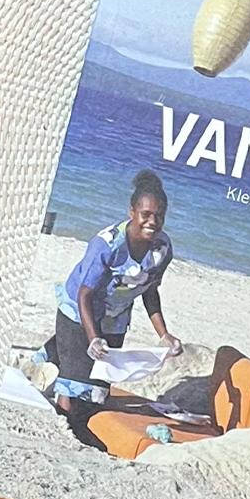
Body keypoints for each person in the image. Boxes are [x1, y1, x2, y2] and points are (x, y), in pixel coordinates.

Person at [49, 170, 182, 412]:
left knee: (98, 390)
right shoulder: (106, 245)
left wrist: (164, 335)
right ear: (132, 212)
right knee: (73, 385)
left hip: (115, 319)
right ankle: (61, 408)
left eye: (159, 216)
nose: (152, 221)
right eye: (145, 214)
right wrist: (93, 338)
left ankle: (57, 360)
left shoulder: (162, 249)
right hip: (78, 313)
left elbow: (150, 291)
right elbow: (84, 294)